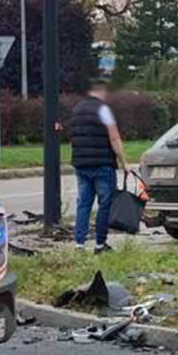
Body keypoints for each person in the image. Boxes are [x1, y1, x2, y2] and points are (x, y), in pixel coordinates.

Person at [69, 78, 129, 253]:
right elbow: (114, 138)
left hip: (81, 164)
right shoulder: (104, 110)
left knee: (83, 204)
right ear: (101, 91)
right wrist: (124, 162)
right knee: (105, 204)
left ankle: (79, 244)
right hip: (102, 164)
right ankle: (100, 244)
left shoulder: (77, 109)